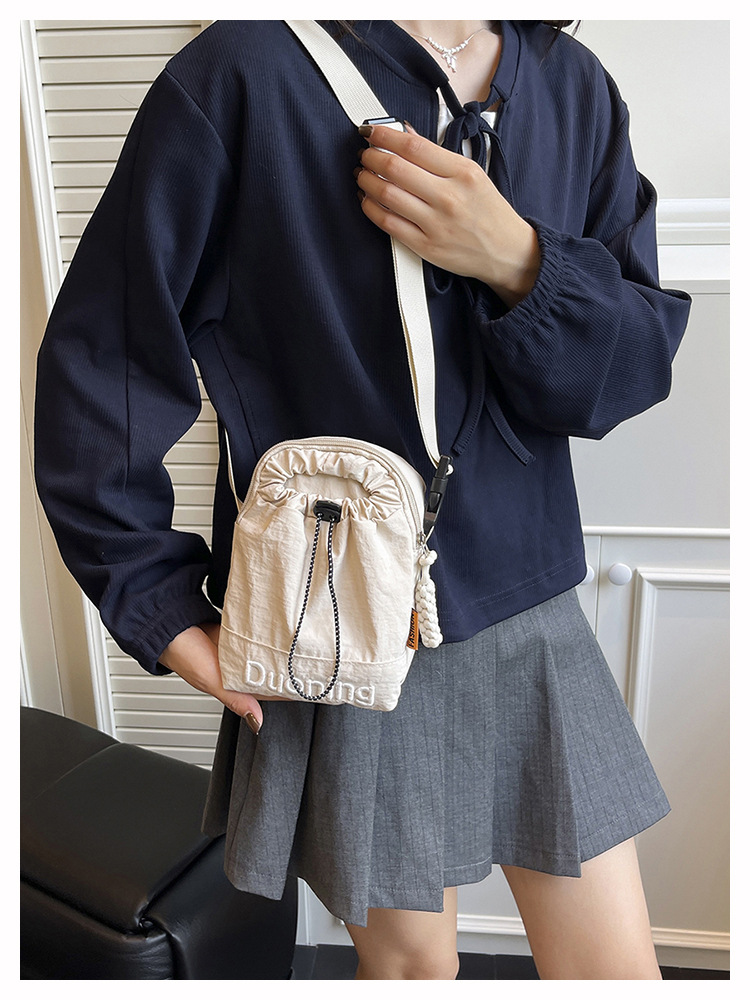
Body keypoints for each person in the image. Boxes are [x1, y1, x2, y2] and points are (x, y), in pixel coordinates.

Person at [33, 20, 692, 980]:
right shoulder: (242, 73)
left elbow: (627, 373)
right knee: (412, 972)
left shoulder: (572, 86)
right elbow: (103, 362)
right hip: (337, 621)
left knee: (616, 972)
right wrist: (160, 605)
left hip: (531, 607)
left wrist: (519, 260)